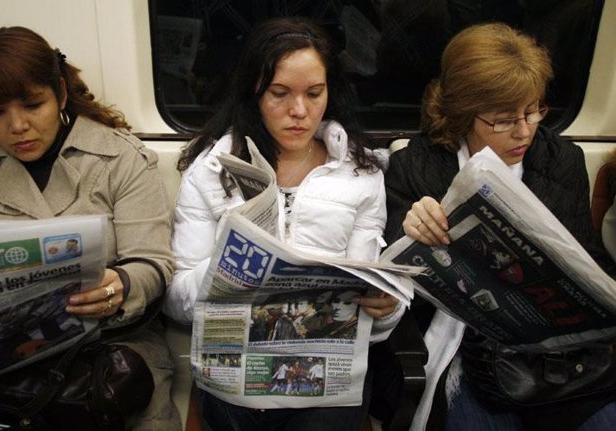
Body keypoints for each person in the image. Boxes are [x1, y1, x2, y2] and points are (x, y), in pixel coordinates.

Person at [0, 26, 180, 430]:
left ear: (60, 94)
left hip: (107, 352)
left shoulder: (119, 159)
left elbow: (154, 265)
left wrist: (119, 286)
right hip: (1, 363)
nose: (18, 126)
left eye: (32, 105)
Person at [163, 16, 402, 431]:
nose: (299, 112)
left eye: (314, 94)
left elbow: (370, 306)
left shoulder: (361, 176)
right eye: (280, 93)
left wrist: (386, 309)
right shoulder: (210, 171)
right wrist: (227, 262)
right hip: (235, 369)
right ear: (253, 92)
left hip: (326, 374)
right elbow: (177, 302)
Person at [384, 22, 616, 431]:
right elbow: (391, 285)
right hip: (465, 353)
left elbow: (589, 260)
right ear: (463, 115)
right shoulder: (415, 167)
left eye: (534, 110)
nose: (524, 130)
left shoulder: (561, 161)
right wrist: (410, 231)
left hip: (554, 358)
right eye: (504, 119)